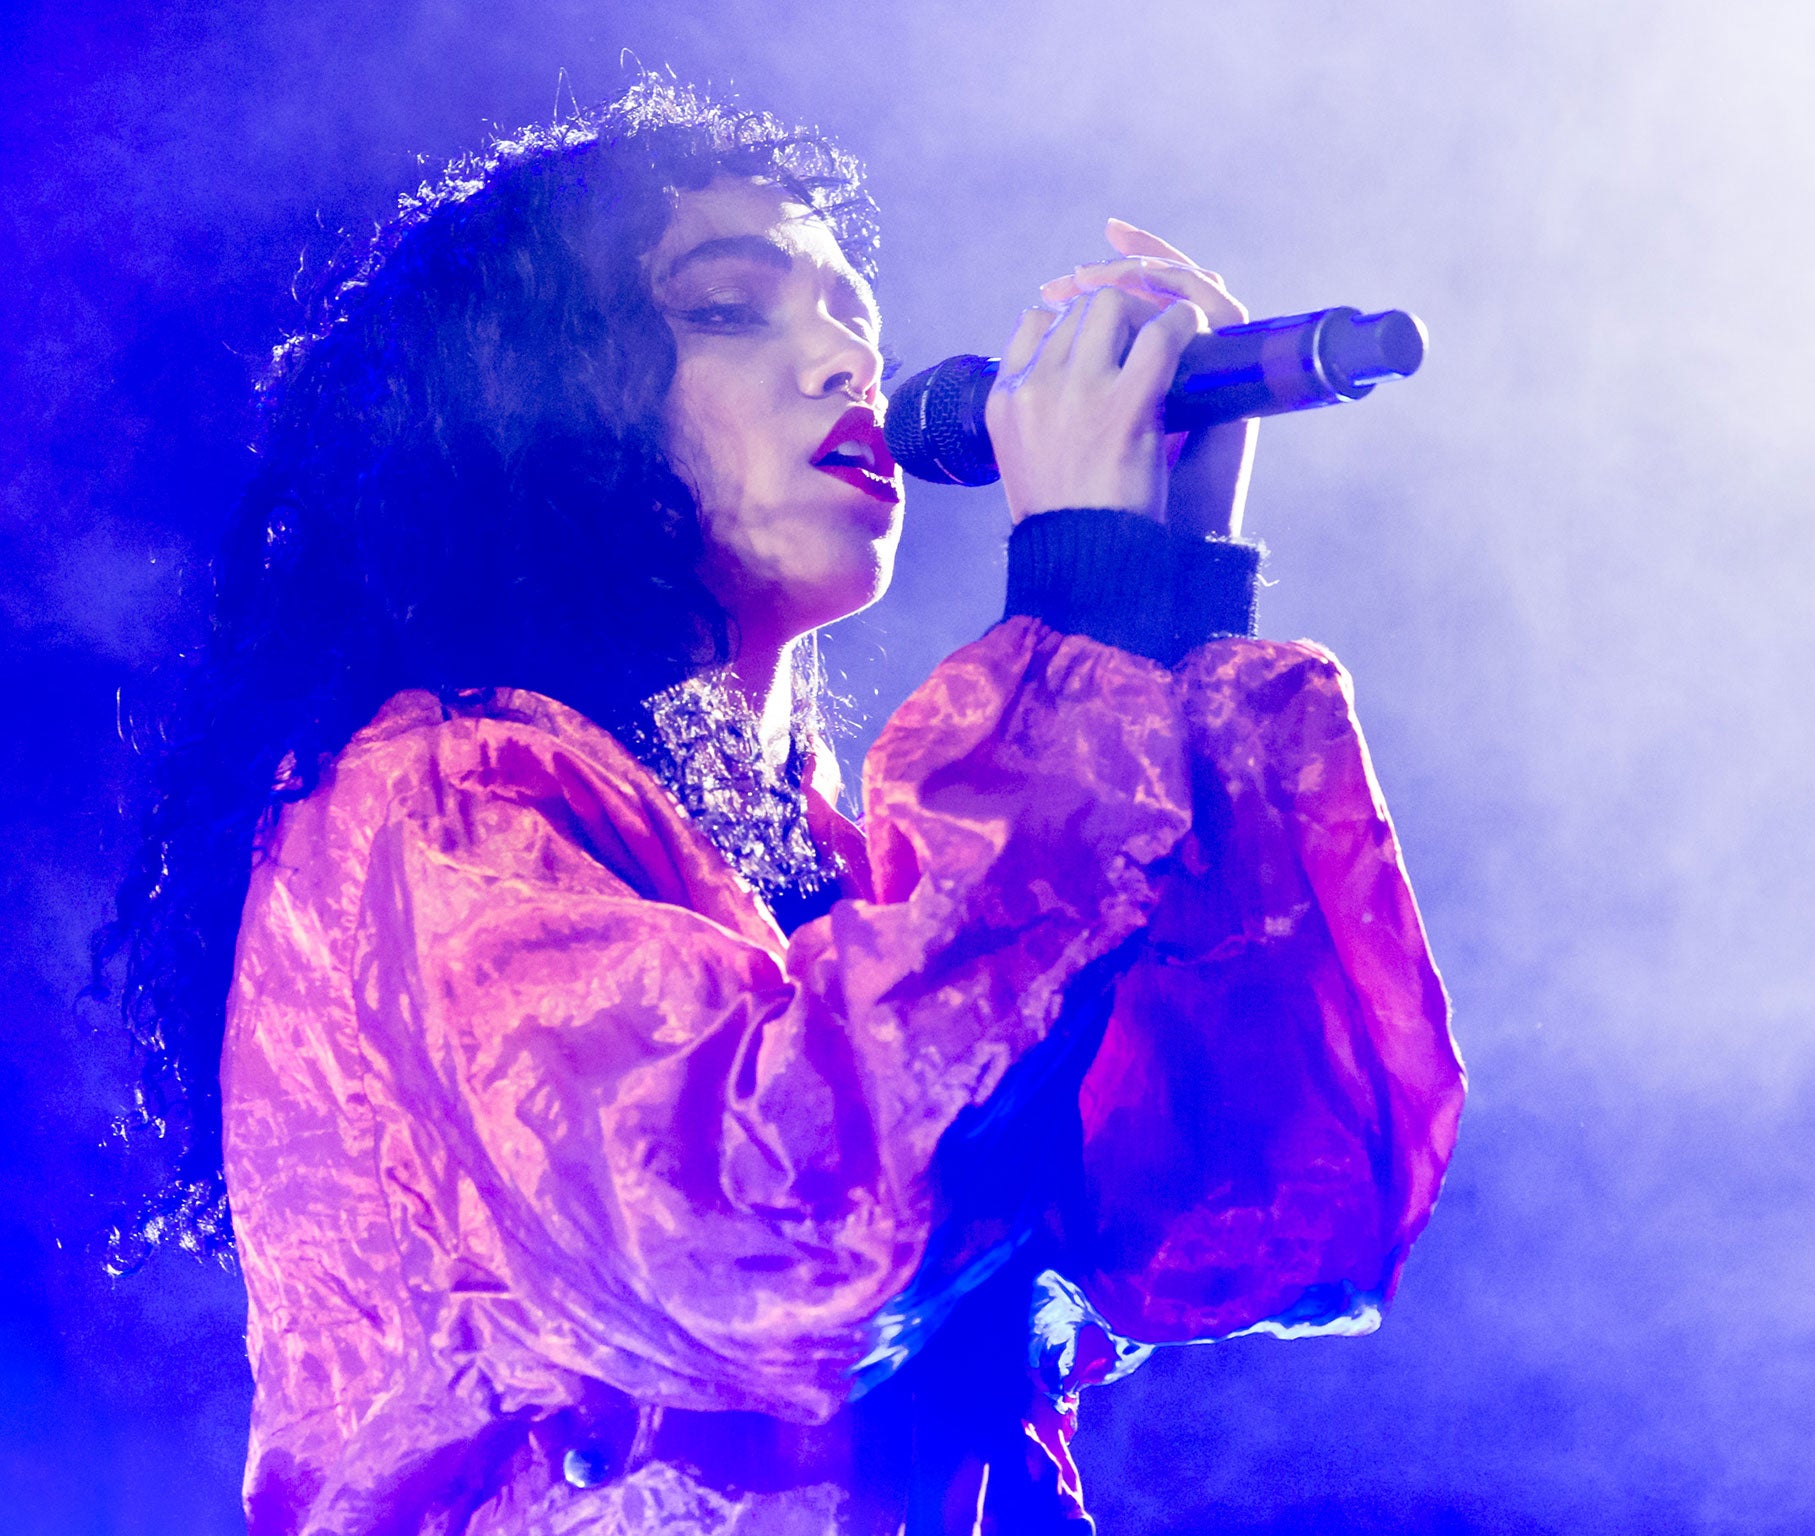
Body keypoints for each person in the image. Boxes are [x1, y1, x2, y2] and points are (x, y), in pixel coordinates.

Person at [97, 77, 1464, 1535]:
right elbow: (778, 1232)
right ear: (533, 396)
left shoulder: (832, 880)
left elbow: (1242, 1228)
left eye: (853, 323)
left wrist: (1171, 619)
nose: (842, 365)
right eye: (733, 311)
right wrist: (1077, 618)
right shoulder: (438, 800)